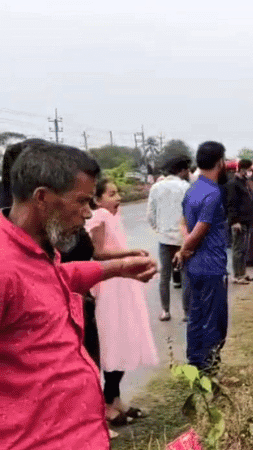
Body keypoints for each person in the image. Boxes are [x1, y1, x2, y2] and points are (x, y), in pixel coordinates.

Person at [0, 140, 157, 450]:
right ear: (42, 198)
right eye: (82, 202)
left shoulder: (37, 246)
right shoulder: (4, 265)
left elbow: (55, 278)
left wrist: (117, 268)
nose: (88, 214)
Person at [86, 178, 160, 425]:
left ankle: (116, 400)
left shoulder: (113, 216)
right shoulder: (98, 217)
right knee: (113, 341)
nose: (117, 198)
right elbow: (97, 252)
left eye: (118, 193)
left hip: (121, 283)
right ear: (97, 199)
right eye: (111, 194)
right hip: (109, 285)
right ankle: (108, 402)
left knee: (124, 338)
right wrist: (129, 253)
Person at [174, 141, 230, 372]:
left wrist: (185, 249)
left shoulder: (192, 190)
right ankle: (208, 366)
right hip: (211, 265)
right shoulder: (213, 193)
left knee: (196, 314)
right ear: (220, 162)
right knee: (214, 319)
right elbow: (201, 229)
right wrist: (186, 247)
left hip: (194, 265)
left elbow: (184, 224)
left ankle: (194, 362)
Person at [147, 155, 192, 321]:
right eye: (187, 169)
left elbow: (150, 214)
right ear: (182, 170)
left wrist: (159, 228)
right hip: (183, 237)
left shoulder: (156, 187)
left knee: (164, 277)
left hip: (165, 238)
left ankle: (165, 311)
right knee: (187, 275)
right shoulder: (186, 187)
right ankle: (187, 312)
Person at [225, 159, 253, 285]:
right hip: (239, 221)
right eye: (249, 169)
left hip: (247, 219)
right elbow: (231, 204)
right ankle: (237, 275)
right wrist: (235, 221)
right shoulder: (233, 184)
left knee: (244, 249)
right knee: (238, 249)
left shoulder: (245, 183)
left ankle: (243, 273)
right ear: (243, 169)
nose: (250, 172)